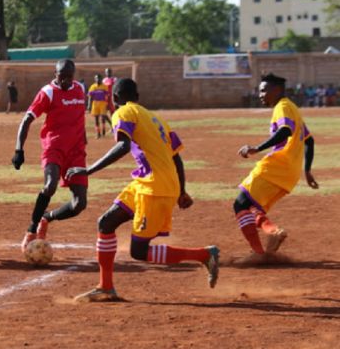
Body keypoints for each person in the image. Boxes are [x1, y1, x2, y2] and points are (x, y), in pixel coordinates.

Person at [66, 78, 220, 302]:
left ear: (114, 99)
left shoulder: (123, 112)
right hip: (146, 183)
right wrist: (182, 190)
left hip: (154, 187)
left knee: (139, 251)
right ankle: (105, 287)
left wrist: (88, 170)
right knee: (106, 223)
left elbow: (123, 145)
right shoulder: (157, 118)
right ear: (138, 97)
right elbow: (176, 157)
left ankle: (205, 255)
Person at [235, 73, 318, 263]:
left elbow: (285, 131)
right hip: (289, 173)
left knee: (240, 204)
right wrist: (307, 170)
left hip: (275, 168)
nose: (260, 95)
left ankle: (258, 253)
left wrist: (257, 148)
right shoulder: (292, 108)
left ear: (277, 90)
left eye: (264, 90)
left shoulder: (283, 107)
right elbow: (310, 141)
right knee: (252, 208)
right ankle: (274, 232)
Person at [12, 59, 88, 252]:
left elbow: (79, 118)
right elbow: (27, 119)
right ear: (55, 74)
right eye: (62, 77)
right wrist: (19, 150)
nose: (65, 81)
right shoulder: (48, 92)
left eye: (69, 77)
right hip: (53, 147)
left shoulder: (80, 89)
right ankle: (31, 230)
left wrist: (83, 140)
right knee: (49, 186)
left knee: (79, 204)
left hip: (76, 153)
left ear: (74, 75)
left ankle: (46, 218)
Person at [87, 74, 110, 139]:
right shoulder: (93, 86)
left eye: (99, 78)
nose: (98, 79)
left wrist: (107, 104)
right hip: (95, 103)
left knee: (103, 117)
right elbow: (90, 97)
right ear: (95, 79)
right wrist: (89, 105)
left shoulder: (104, 86)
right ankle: (98, 133)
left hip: (102, 103)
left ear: (101, 79)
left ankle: (103, 130)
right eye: (96, 78)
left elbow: (107, 96)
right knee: (96, 119)